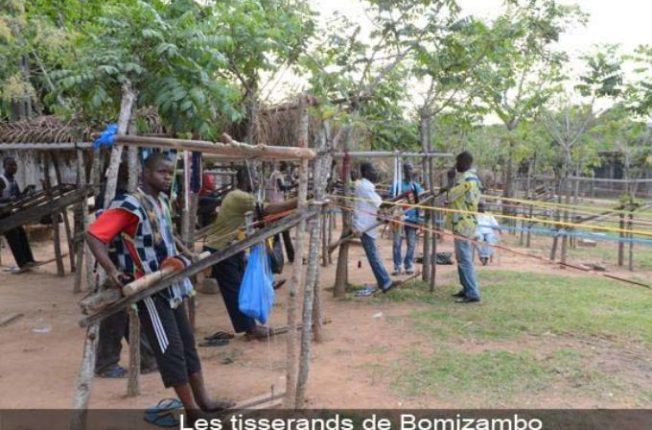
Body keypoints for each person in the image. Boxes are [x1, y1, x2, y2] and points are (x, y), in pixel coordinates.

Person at [86, 153, 231, 417]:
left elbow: (166, 237)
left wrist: (185, 254)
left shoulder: (162, 201)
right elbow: (94, 235)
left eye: (169, 173)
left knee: (187, 344)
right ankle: (191, 409)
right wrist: (113, 271)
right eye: (161, 172)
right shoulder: (128, 205)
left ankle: (203, 401)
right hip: (149, 290)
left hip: (172, 284)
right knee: (169, 349)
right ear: (145, 172)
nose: (166, 178)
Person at [205, 165, 297, 340]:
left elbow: (260, 217)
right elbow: (268, 210)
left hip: (233, 246)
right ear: (247, 179)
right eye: (254, 177)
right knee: (233, 289)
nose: (256, 181)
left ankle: (250, 326)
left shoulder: (238, 196)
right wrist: (299, 201)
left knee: (240, 286)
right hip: (221, 247)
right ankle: (250, 329)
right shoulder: (239, 197)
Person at [352, 162, 396, 293]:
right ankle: (385, 282)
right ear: (366, 172)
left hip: (367, 225)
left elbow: (379, 203)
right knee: (373, 256)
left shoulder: (366, 187)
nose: (375, 173)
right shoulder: (364, 187)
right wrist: (398, 199)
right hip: (364, 227)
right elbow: (381, 204)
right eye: (372, 170)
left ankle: (385, 281)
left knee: (374, 255)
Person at [447, 151, 483, 303]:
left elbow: (450, 196)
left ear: (464, 163)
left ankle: (472, 292)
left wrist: (450, 180)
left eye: (458, 162)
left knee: (465, 258)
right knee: (462, 257)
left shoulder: (466, 180)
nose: (456, 166)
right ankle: (466, 288)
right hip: (467, 221)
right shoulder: (475, 179)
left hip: (463, 223)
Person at [0, 157, 37, 272]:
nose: (13, 167)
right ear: (4, 166)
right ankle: (22, 263)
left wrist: (27, 191)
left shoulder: (13, 181)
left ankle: (29, 260)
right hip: (1, 214)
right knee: (13, 235)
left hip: (9, 212)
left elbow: (18, 196)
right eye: (10, 165)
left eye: (15, 165)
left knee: (21, 232)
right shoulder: (1, 180)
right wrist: (10, 200)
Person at [392, 162, 424, 275]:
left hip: (412, 219)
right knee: (397, 243)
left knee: (411, 243)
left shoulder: (416, 186)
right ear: (403, 171)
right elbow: (391, 201)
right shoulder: (397, 185)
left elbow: (421, 204)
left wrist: (420, 219)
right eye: (406, 169)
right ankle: (397, 266)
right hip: (398, 218)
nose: (408, 171)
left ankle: (408, 264)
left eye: (410, 169)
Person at [266, 162, 295, 262]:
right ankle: (283, 258)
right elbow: (282, 187)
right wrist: (293, 185)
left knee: (278, 234)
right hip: (277, 207)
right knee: (283, 233)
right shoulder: (277, 174)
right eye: (287, 167)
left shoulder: (275, 174)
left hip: (276, 205)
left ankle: (278, 258)